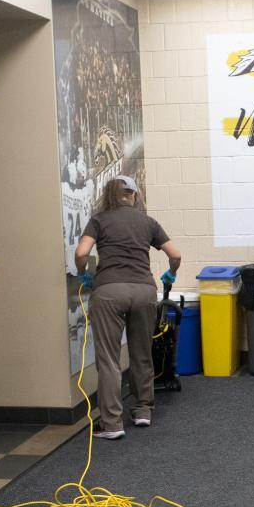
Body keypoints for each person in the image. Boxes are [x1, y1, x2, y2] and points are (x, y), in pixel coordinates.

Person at [74, 176, 183, 440]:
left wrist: (83, 275)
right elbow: (175, 254)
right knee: (142, 353)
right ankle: (143, 410)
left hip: (110, 291)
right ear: (133, 195)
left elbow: (81, 253)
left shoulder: (99, 219)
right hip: (144, 291)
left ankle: (112, 424)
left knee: (109, 359)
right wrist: (171, 274)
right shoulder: (147, 222)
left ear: (109, 195)